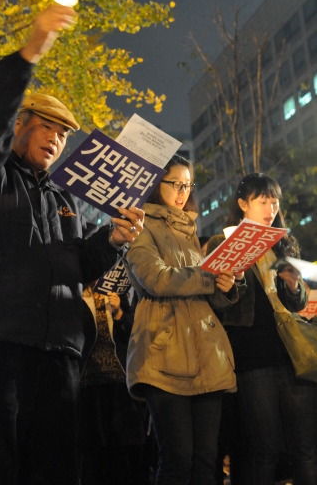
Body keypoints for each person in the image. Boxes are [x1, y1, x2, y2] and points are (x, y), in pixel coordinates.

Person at [0, 4, 145, 485]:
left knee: (53, 472)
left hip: (59, 358)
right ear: (21, 123)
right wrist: (31, 51)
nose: (57, 140)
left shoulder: (64, 200)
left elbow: (76, 267)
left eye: (64, 134)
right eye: (48, 126)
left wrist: (112, 239)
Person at [124, 153, 244, 485]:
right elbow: (156, 279)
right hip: (163, 351)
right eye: (176, 183)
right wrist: (208, 275)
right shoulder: (137, 224)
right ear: (154, 184)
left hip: (207, 352)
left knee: (207, 459)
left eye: (188, 185)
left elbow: (206, 294)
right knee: (177, 458)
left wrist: (226, 285)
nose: (182, 192)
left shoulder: (190, 228)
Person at [207, 172, 317, 485]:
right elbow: (218, 302)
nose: (271, 208)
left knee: (305, 448)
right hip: (253, 361)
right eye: (263, 201)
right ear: (243, 204)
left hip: (294, 357)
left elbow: (296, 305)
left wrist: (293, 286)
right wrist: (233, 281)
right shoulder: (223, 242)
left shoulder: (284, 243)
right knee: (265, 447)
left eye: (274, 201)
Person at [80, 285, 148, 485]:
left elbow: (132, 335)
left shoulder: (114, 294)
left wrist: (118, 312)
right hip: (87, 381)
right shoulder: (75, 296)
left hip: (119, 379)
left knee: (125, 447)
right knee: (93, 449)